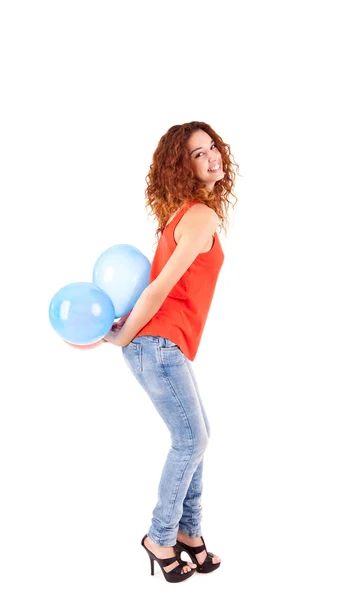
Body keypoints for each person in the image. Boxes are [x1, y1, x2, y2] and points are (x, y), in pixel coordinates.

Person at [103, 121, 238, 583]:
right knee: (192, 440)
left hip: (162, 344)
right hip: (157, 343)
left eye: (212, 147)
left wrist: (127, 335)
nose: (212, 156)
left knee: (196, 438)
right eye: (198, 154)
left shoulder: (187, 212)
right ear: (183, 167)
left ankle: (190, 536)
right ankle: (160, 537)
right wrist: (124, 336)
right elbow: (158, 289)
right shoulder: (200, 215)